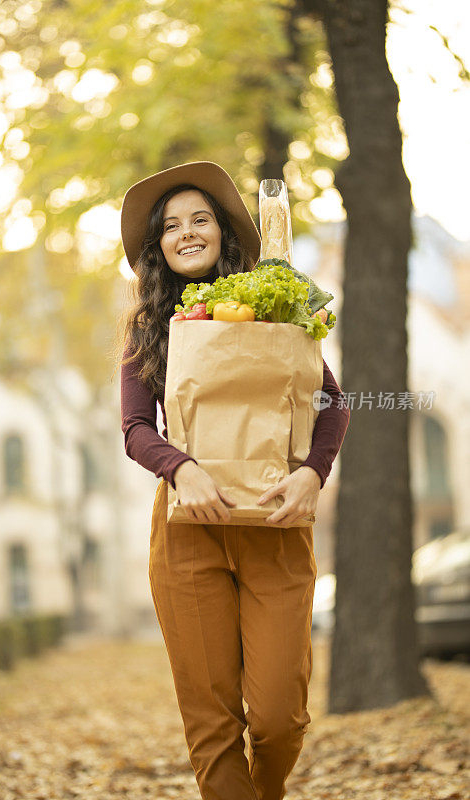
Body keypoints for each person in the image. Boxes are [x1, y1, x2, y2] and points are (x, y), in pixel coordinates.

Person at [115, 161, 350, 800]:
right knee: (213, 727)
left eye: (200, 219)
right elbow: (137, 427)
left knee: (279, 718)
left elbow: (331, 400)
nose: (187, 233)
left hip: (275, 522)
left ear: (222, 232)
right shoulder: (146, 329)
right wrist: (181, 468)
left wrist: (311, 475)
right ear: (157, 245)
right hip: (188, 533)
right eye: (171, 226)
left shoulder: (277, 304)